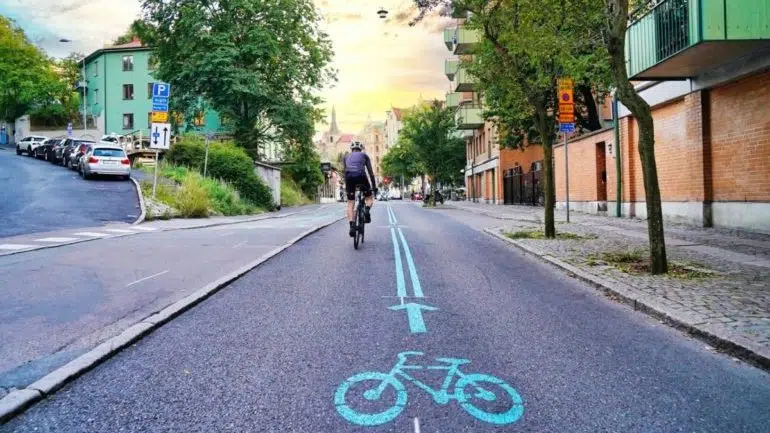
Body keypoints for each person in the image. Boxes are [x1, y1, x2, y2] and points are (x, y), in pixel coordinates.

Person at [343, 141, 377, 237]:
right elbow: (371, 173)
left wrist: (347, 187)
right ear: (360, 149)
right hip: (361, 176)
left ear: (351, 149)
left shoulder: (346, 157)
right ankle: (366, 209)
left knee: (350, 203)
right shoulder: (364, 155)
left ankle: (351, 226)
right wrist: (374, 187)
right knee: (369, 198)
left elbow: (346, 172)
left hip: (349, 178)